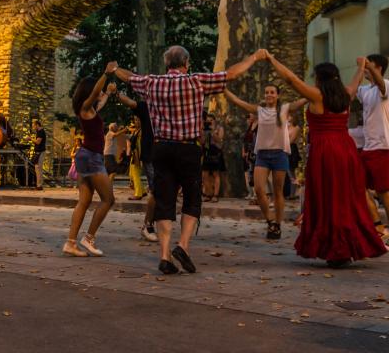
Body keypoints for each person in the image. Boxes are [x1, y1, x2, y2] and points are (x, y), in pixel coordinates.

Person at [112, 46, 266, 274]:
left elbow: (129, 76)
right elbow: (231, 74)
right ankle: (182, 246)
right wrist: (254, 57)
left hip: (161, 148)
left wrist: (114, 68)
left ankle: (164, 255)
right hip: (188, 149)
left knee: (164, 200)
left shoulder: (152, 83)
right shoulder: (197, 81)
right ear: (186, 64)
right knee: (192, 199)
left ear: (167, 65)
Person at [265, 54, 387, 267]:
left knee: (327, 198)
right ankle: (348, 246)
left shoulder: (316, 96)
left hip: (325, 152)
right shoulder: (346, 94)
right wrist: (360, 66)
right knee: (346, 199)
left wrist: (272, 60)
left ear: (320, 79)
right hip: (346, 151)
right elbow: (357, 79)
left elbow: (291, 80)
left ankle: (335, 250)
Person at [224, 86, 307, 240]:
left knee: (278, 192)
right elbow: (238, 101)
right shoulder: (259, 110)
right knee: (259, 189)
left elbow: (302, 100)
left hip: (279, 155)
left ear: (277, 95)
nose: (269, 95)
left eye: (272, 92)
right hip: (262, 155)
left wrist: (317, 90)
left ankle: (277, 224)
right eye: (267, 92)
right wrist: (224, 89)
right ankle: (270, 220)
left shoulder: (284, 109)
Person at [63, 68, 115, 257]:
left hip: (85, 156)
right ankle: (89, 238)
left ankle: (70, 243)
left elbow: (100, 100)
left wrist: (108, 92)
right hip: (91, 157)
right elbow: (95, 94)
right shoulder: (85, 107)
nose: (99, 93)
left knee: (84, 201)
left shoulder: (90, 109)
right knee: (108, 199)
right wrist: (106, 73)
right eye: (96, 90)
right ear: (89, 91)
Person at [358, 54, 389, 251]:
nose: (364, 67)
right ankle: (378, 225)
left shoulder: (386, 85)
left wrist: (367, 65)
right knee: (357, 186)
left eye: (369, 64)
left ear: (377, 67)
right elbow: (349, 93)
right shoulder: (364, 90)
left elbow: (379, 82)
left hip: (384, 145)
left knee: (383, 190)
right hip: (368, 146)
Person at [113, 88, 158, 242]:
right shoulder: (146, 107)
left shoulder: (169, 108)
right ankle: (149, 225)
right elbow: (130, 103)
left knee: (163, 192)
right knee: (156, 191)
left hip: (168, 153)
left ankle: (156, 224)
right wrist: (116, 93)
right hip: (151, 156)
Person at [201, 113, 226, 203]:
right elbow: (202, 142)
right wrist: (203, 131)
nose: (209, 122)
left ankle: (215, 195)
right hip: (207, 152)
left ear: (214, 120)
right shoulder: (205, 129)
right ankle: (208, 194)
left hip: (216, 152)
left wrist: (212, 132)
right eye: (208, 120)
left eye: (211, 120)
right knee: (205, 174)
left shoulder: (219, 128)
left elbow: (219, 140)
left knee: (216, 174)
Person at [242, 112, 258, 201]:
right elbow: (244, 141)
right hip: (247, 153)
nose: (249, 118)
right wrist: (244, 151)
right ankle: (251, 192)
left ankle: (256, 193)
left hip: (254, 153)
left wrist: (250, 152)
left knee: (254, 173)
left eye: (250, 115)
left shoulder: (258, 126)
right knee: (248, 173)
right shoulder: (249, 127)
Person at [31, 119, 47, 190]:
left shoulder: (41, 132)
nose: (33, 127)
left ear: (37, 125)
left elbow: (38, 142)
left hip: (41, 152)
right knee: (37, 168)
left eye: (34, 126)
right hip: (39, 152)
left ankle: (39, 185)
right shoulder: (39, 132)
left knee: (38, 168)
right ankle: (39, 184)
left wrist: (30, 139)